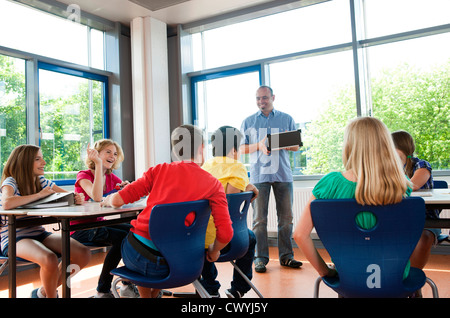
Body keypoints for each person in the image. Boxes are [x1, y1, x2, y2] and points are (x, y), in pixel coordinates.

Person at [101, 124, 233, 298]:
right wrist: (215, 250)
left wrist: (107, 199)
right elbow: (225, 233)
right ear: (202, 148)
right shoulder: (213, 184)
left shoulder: (158, 171)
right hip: (186, 263)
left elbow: (118, 200)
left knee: (128, 236)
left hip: (143, 261)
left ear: (175, 150)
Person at [293, 117, 412, 281]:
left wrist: (325, 272)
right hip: (394, 276)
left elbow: (300, 234)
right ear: (386, 145)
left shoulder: (330, 184)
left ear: (350, 146)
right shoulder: (402, 185)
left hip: (349, 276)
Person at [0, 144, 91, 298]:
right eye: (38, 159)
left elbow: (67, 195)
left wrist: (76, 198)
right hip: (14, 238)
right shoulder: (11, 181)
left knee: (83, 253)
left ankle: (43, 292)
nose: (44, 162)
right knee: (49, 259)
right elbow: (7, 202)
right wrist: (39, 195)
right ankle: (51, 296)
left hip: (39, 233)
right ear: (25, 162)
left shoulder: (40, 181)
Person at [240, 85, 302, 273]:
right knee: (259, 220)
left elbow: (297, 146)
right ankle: (260, 259)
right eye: (258, 98)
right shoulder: (248, 122)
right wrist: (258, 145)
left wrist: (282, 144)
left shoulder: (287, 118)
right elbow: (242, 149)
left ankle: (286, 256)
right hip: (259, 176)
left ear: (273, 97)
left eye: (265, 98)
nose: (261, 102)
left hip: (283, 174)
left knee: (286, 218)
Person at [73, 139, 137, 298]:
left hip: (99, 226)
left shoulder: (112, 177)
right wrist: (99, 165)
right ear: (96, 154)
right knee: (126, 237)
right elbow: (96, 197)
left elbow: (124, 196)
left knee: (135, 233)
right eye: (108, 152)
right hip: (81, 230)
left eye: (115, 153)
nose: (112, 156)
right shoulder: (84, 175)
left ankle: (124, 284)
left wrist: (126, 189)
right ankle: (106, 289)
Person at [201, 126, 259, 298]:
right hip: (228, 238)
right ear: (234, 149)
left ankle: (209, 288)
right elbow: (229, 205)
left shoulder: (205, 166)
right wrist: (249, 192)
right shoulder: (237, 167)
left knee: (204, 236)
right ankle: (239, 288)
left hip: (201, 237)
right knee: (251, 238)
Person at [391, 130, 441, 276]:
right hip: (400, 218)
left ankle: (411, 279)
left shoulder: (421, 165)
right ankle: (392, 277)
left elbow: (413, 186)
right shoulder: (390, 167)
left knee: (424, 238)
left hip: (426, 219)